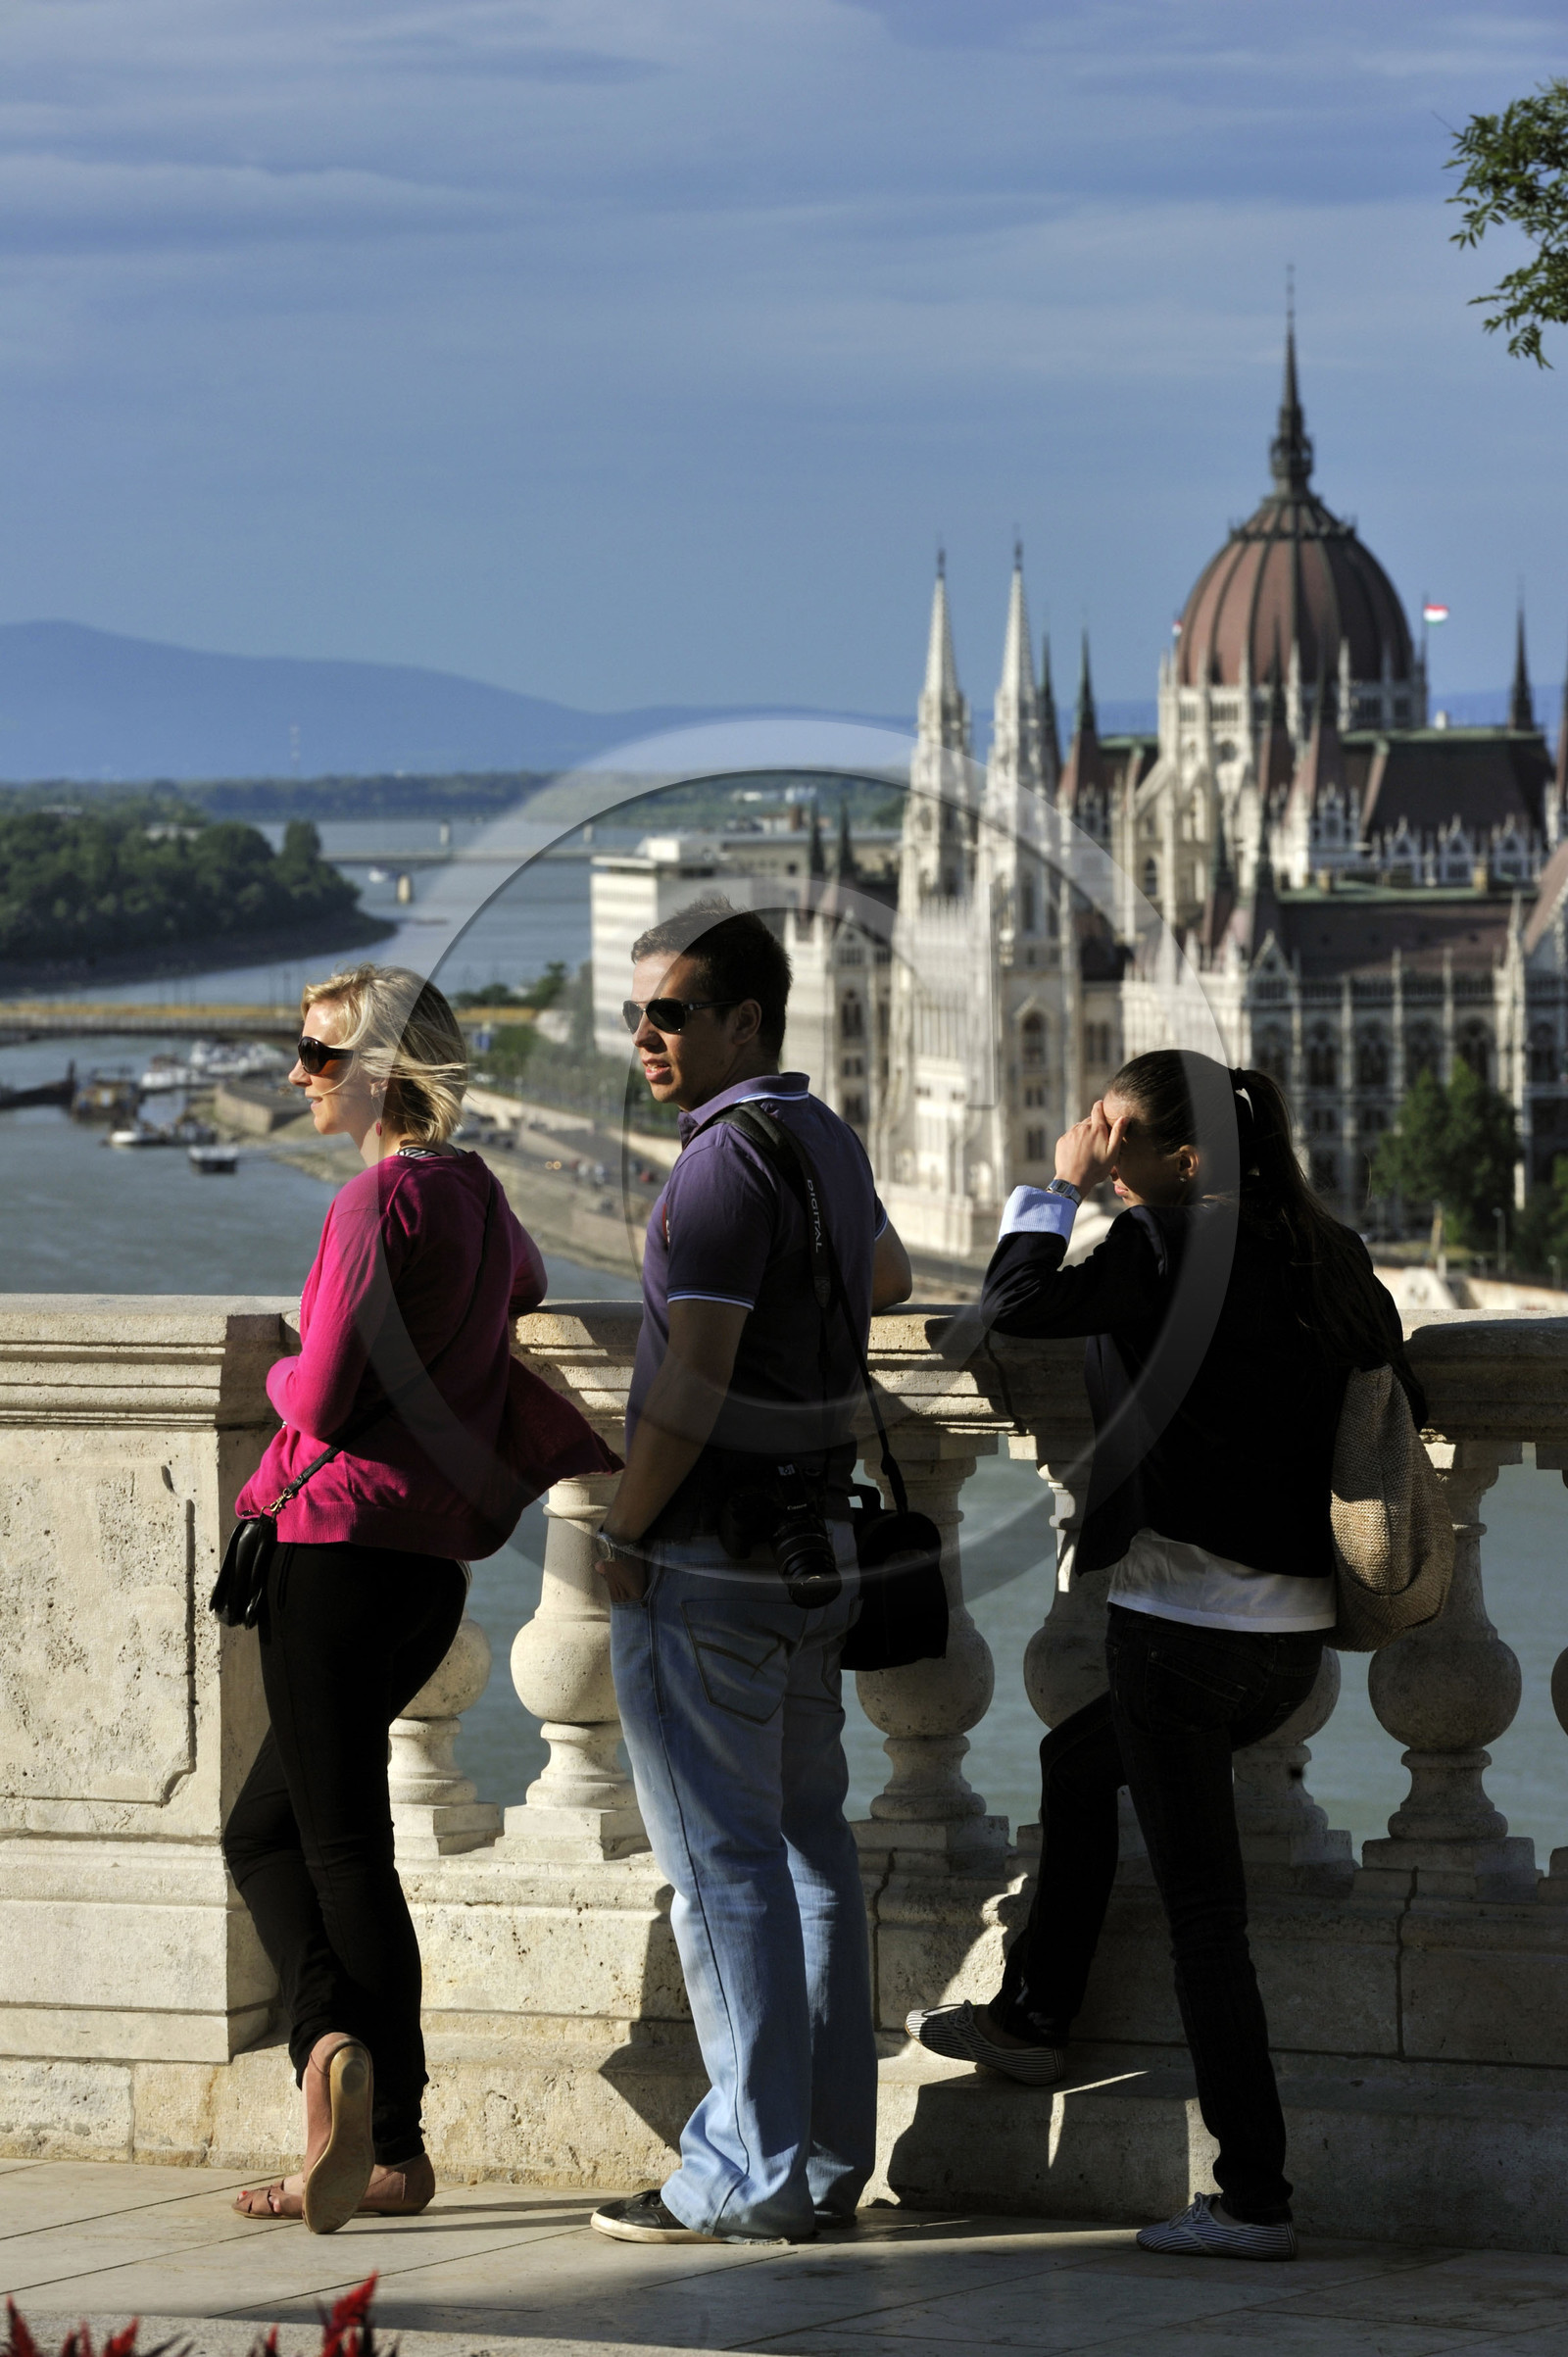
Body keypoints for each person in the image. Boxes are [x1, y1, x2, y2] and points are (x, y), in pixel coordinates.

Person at [909, 1050, 1421, 2261]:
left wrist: (1055, 1188)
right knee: (1080, 1761)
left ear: (1182, 1162)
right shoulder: (1325, 1251)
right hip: (1291, 1643)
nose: (1092, 1137)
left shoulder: (1159, 1247)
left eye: (1113, 1127)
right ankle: (1035, 2009)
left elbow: (1014, 1306)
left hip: (1178, 1630)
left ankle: (1252, 2194)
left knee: (1205, 1920)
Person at [586, 900, 913, 2247]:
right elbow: (886, 1276)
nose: (646, 1037)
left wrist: (621, 1530)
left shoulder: (716, 1173)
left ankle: (745, 2171)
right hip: (812, 1547)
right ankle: (828, 2158)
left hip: (711, 1557)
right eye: (636, 1015)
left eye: (672, 1014)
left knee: (724, 1869)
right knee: (809, 1854)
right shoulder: (821, 1135)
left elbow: (692, 1385)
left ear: (744, 1022)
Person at [225, 963, 547, 2232]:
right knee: (278, 1827)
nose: (297, 1073)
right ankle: (353, 2090)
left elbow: (315, 1396)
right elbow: (516, 1288)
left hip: (335, 1547)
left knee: (333, 1840)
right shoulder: (477, 1195)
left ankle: (355, 2088)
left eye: (316, 1054)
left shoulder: (374, 1203)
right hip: (426, 1562)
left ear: (379, 1072)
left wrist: (301, 1347)